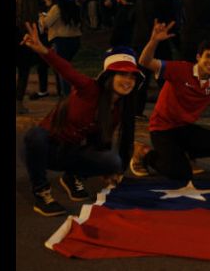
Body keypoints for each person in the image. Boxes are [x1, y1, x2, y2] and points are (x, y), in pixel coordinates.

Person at [21, 22, 142, 216]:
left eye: (132, 76)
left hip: (70, 152)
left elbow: (104, 141)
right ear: (109, 76)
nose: (128, 80)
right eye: (121, 74)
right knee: (35, 135)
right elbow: (66, 70)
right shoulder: (89, 88)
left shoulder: (120, 108)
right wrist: (44, 50)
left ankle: (72, 177)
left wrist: (112, 170)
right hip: (46, 148)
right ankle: (42, 193)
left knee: (112, 160)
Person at [129, 20, 210, 183]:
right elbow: (145, 62)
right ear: (198, 57)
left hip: (184, 128)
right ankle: (144, 153)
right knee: (181, 174)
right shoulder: (180, 69)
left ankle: (181, 155)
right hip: (162, 129)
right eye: (208, 56)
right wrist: (154, 40)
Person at [39, 0, 83, 98]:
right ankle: (66, 93)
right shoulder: (74, 6)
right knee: (66, 67)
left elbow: (46, 23)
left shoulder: (57, 8)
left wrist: (42, 16)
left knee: (62, 69)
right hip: (75, 40)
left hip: (61, 41)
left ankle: (66, 95)